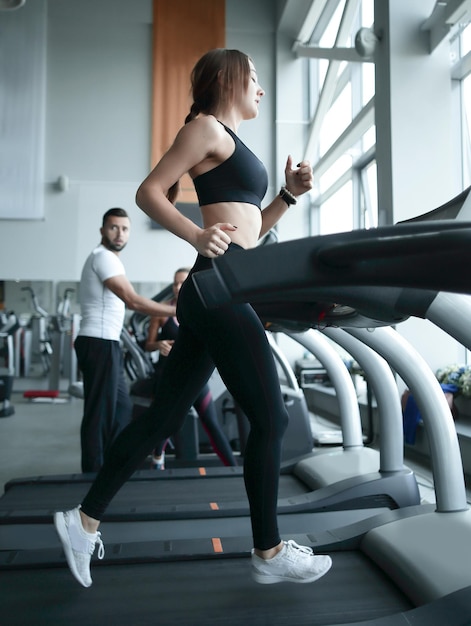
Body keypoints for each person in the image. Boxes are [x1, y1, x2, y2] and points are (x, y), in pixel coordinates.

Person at [54, 49, 332, 588]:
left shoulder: (228, 139)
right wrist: (196, 235)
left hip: (222, 286)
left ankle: (82, 522)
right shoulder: (206, 127)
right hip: (217, 288)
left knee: (161, 418)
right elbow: (149, 193)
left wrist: (286, 197)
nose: (262, 88)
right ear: (227, 79)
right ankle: (269, 551)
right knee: (271, 418)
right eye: (254, 78)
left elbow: (249, 229)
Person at [75, 207, 176, 472]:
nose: (120, 233)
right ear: (102, 231)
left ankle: (114, 467)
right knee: (100, 414)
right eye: (113, 227)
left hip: (107, 343)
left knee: (120, 409)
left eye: (125, 228)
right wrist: (177, 309)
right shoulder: (103, 257)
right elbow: (132, 300)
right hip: (98, 342)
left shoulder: (109, 259)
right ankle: (93, 474)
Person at [133, 266, 237, 469]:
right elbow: (148, 345)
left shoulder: (203, 309)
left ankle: (233, 469)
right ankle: (157, 459)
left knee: (211, 423)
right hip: (169, 375)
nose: (178, 287)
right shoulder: (161, 312)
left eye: (182, 282)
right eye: (175, 283)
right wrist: (159, 345)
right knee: (166, 423)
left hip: (195, 376)